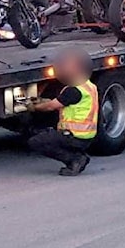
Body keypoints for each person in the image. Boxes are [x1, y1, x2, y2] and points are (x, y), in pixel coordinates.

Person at [26, 47, 99, 176]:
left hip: (74, 136)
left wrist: (33, 107)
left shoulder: (74, 90)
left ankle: (74, 159)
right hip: (85, 135)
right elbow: (62, 102)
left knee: (36, 142)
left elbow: (51, 107)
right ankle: (78, 155)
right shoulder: (88, 86)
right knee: (45, 133)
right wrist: (42, 100)